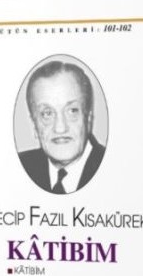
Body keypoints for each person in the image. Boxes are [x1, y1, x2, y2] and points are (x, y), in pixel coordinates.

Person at [18, 60, 106, 194]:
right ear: (34, 126)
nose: (60, 128)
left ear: (88, 119)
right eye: (47, 113)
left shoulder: (115, 168)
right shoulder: (18, 169)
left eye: (72, 111)